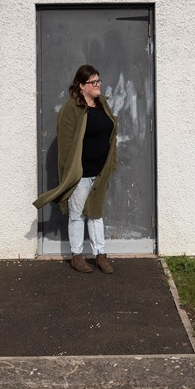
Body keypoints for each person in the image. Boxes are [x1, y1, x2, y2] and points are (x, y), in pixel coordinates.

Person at [32, 64, 119, 273]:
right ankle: (77, 256)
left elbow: (111, 135)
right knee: (77, 214)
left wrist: (111, 162)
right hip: (81, 174)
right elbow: (66, 145)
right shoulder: (71, 110)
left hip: (100, 172)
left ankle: (100, 255)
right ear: (82, 86)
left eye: (99, 81)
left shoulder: (103, 105)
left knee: (96, 214)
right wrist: (70, 173)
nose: (98, 85)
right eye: (93, 82)